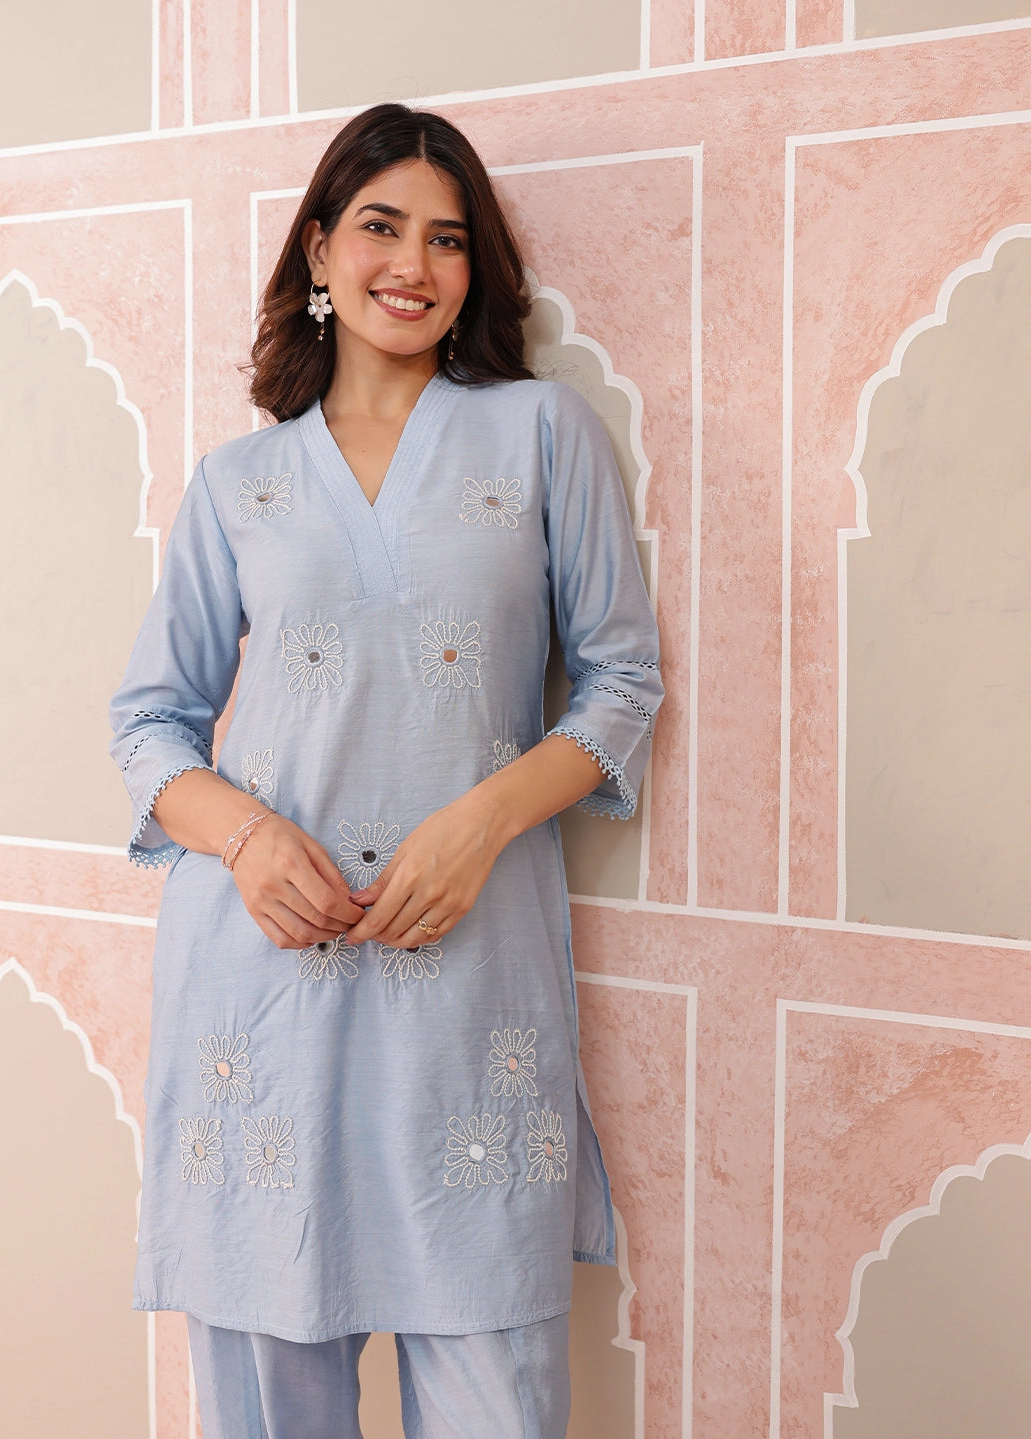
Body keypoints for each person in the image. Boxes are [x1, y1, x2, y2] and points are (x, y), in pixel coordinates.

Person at [110, 102, 663, 1439]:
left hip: (468, 980)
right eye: (380, 226)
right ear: (319, 248)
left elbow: (623, 682)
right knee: (267, 1406)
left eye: (448, 239)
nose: (413, 264)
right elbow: (149, 724)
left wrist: (482, 823)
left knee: (497, 1401)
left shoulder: (542, 433)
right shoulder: (236, 481)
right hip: (262, 987)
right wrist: (247, 842)